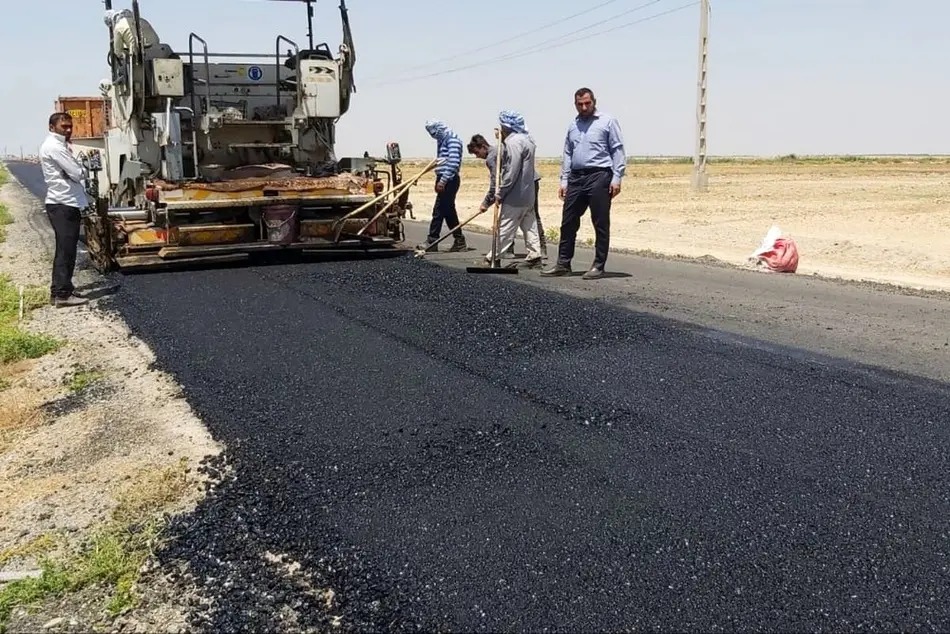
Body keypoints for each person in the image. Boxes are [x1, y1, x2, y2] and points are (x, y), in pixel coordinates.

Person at [542, 87, 626, 280]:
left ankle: (598, 265)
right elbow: (567, 153)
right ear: (575, 104)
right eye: (580, 104)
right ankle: (563, 264)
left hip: (600, 175)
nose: (584, 107)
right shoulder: (573, 125)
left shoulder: (607, 121)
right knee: (568, 221)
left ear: (594, 101)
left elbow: (617, 150)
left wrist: (617, 177)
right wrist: (564, 180)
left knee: (600, 222)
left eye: (587, 103)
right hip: (576, 178)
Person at [467, 133, 547, 259]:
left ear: (483, 147)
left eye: (477, 153)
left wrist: (486, 203)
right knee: (528, 217)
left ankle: (495, 257)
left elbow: (495, 183)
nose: (478, 157)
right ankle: (535, 253)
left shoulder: (492, 157)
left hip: (519, 184)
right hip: (529, 182)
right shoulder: (500, 149)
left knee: (509, 219)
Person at [39, 112, 90, 307]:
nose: (68, 130)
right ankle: (62, 295)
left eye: (70, 126)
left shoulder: (59, 145)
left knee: (65, 248)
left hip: (65, 203)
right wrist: (82, 169)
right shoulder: (55, 147)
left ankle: (59, 290)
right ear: (52, 127)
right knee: (66, 250)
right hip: (63, 204)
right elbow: (77, 173)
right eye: (64, 127)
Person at [483, 110, 543, 268]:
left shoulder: (514, 142)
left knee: (506, 226)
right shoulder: (527, 140)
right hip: (528, 193)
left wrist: (501, 192)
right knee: (529, 225)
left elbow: (511, 171)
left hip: (516, 194)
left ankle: (493, 258)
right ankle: (535, 255)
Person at [419, 119, 467, 253]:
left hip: (449, 180)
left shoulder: (452, 140)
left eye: (434, 133)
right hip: (443, 178)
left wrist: (443, 181)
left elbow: (453, 163)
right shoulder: (442, 140)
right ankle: (459, 241)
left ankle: (432, 241)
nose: (433, 136)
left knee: (439, 210)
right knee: (448, 211)